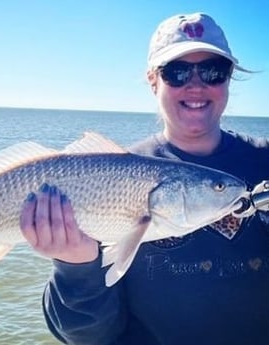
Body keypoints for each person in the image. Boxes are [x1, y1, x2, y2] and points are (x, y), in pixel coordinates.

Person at [19, 12, 269, 345]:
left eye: (213, 71)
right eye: (176, 72)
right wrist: (75, 266)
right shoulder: (111, 177)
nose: (196, 85)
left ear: (229, 78)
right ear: (153, 80)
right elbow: (89, 337)